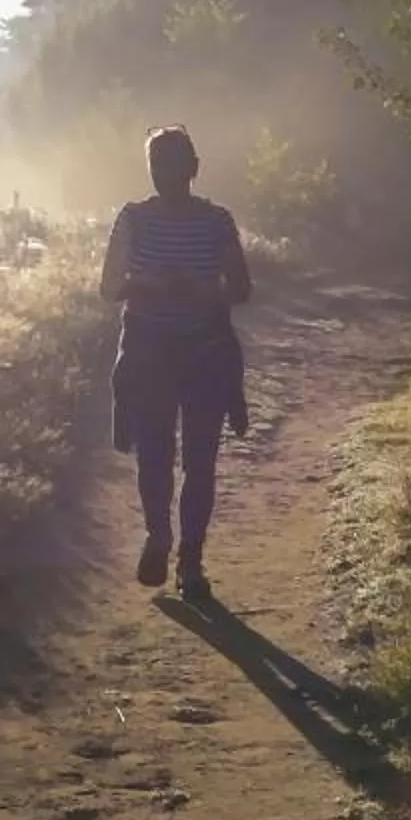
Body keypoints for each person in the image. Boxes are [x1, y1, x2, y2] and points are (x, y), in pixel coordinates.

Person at [100, 125, 252, 603]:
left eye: (171, 164)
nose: (163, 174)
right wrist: (150, 285)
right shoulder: (132, 220)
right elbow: (109, 289)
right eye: (156, 165)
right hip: (151, 350)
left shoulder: (217, 222)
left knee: (198, 461)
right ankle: (161, 538)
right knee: (156, 457)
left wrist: (201, 290)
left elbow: (241, 289)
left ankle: (188, 556)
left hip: (203, 350)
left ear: (193, 168)